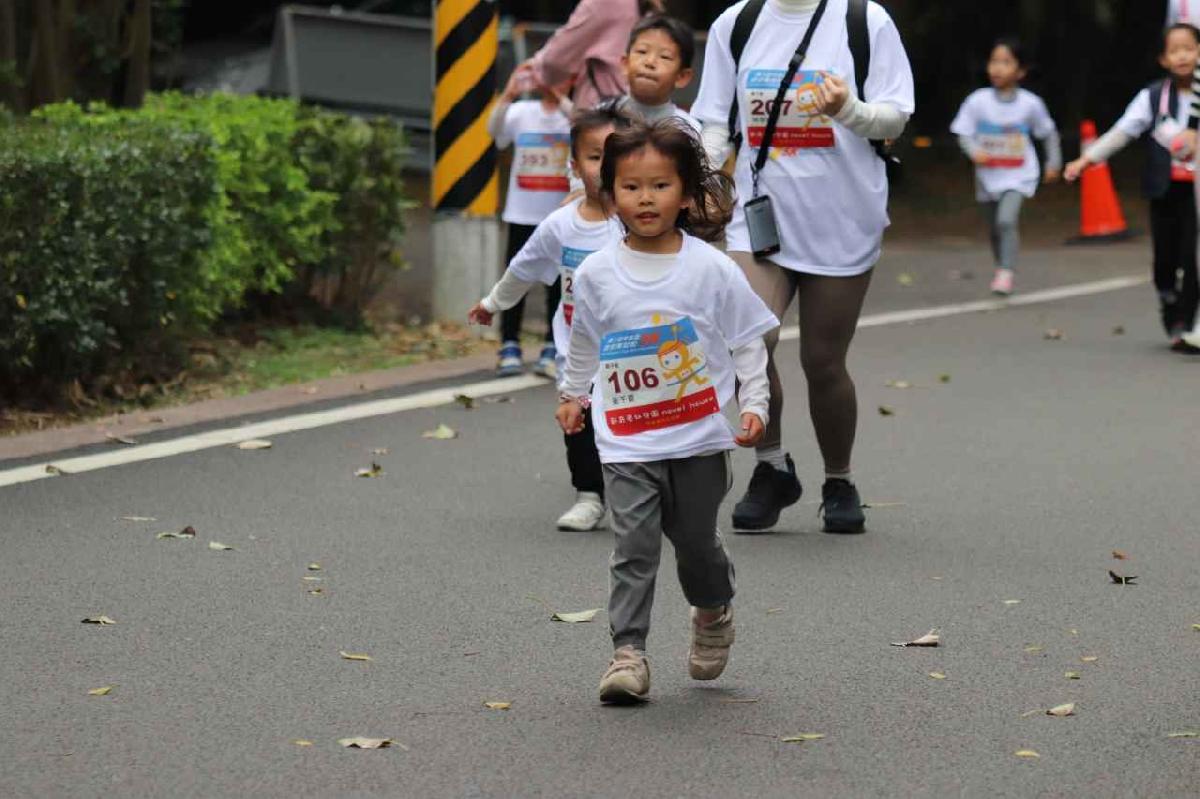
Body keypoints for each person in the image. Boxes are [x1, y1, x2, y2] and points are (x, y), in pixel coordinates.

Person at [557, 120, 778, 704]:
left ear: (684, 193)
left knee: (697, 544)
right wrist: (573, 395)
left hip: (698, 439)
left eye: (660, 185)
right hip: (627, 439)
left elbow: (747, 340)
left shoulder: (712, 268)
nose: (645, 199)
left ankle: (712, 609)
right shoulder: (596, 273)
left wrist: (755, 403)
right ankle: (627, 653)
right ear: (610, 193)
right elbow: (584, 342)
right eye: (631, 187)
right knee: (633, 548)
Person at [691, 0, 915, 535]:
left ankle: (839, 480)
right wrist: (701, 176)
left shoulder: (864, 20)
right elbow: (714, 120)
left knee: (823, 361)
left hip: (843, 221)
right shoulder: (737, 23)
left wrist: (848, 109)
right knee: (748, 341)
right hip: (759, 218)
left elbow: (895, 116)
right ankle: (772, 468)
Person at [469, 108, 630, 531]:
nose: (605, 166)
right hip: (576, 348)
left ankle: (641, 494)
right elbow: (523, 267)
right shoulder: (560, 225)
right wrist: (492, 303)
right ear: (574, 166)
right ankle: (589, 495)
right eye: (594, 157)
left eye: (615, 155)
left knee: (630, 422)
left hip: (631, 349)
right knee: (577, 419)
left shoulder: (640, 222)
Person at [1065, 24, 1200, 354]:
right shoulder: (1152, 98)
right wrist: (1086, 160)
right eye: (1174, 50)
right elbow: (1122, 132)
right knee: (1165, 261)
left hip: (1196, 194)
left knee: (1192, 258)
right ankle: (1168, 300)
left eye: (1189, 48)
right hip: (1165, 190)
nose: (1182, 56)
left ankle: (1186, 324)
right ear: (1163, 59)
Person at [951, 38, 1062, 297]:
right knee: (994, 228)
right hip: (988, 176)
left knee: (1006, 220)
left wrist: (1053, 163)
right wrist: (974, 152)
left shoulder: (1030, 104)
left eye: (1006, 62)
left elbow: (1048, 133)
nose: (997, 68)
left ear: (1020, 71)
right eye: (994, 61)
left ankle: (1006, 272)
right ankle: (1002, 265)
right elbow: (962, 132)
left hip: (1019, 174)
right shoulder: (977, 101)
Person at [487, 72, 574, 377]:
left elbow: (585, 126)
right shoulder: (522, 112)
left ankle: (552, 346)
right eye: (549, 72)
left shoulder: (573, 114)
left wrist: (562, 99)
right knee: (516, 278)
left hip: (559, 217)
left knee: (558, 284)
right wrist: (509, 93)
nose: (553, 80)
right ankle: (509, 344)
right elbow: (495, 132)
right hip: (520, 214)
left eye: (562, 74)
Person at [517, 0, 665, 110]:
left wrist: (535, 70)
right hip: (646, 114)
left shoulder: (605, 3)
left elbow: (554, 61)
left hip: (602, 119)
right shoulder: (653, 9)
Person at [611, 14, 701, 132]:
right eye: (642, 51)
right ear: (625, 64)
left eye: (665, 57)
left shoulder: (687, 131)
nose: (650, 62)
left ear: (682, 77)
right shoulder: (602, 118)